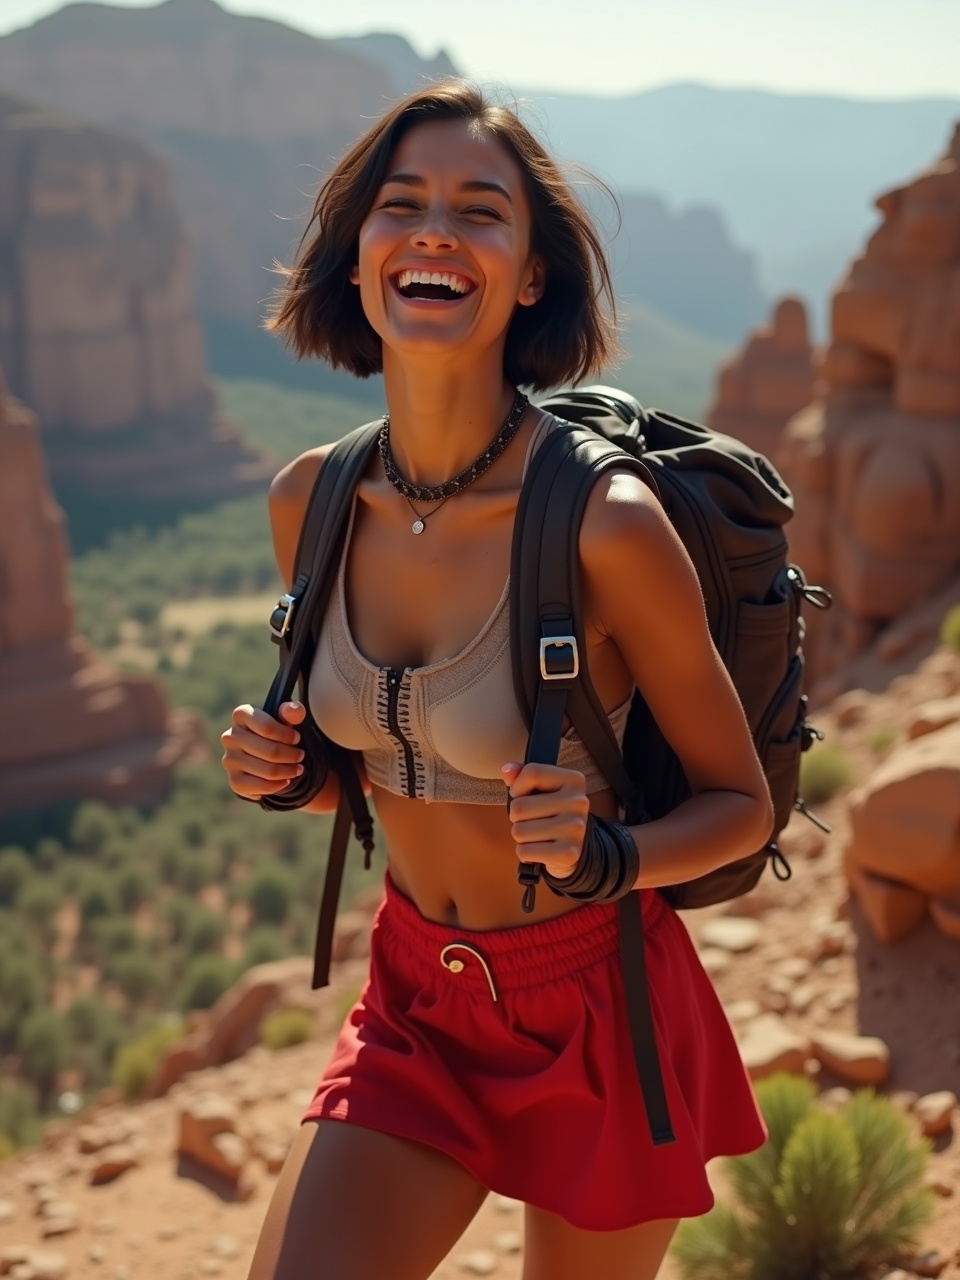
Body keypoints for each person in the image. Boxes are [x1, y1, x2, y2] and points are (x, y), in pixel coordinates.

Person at [221, 80, 772, 1280]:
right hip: (418, 1003)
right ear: (359, 256)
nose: (432, 230)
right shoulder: (307, 502)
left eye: (480, 211)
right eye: (400, 204)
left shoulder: (604, 525)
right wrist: (291, 772)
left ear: (528, 276)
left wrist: (609, 852)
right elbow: (382, 783)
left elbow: (743, 802)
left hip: (597, 1006)